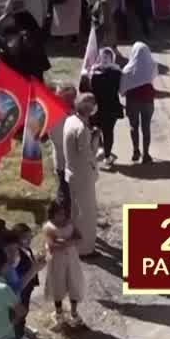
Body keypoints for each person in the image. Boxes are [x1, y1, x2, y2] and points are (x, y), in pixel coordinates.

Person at [62, 94, 100, 256]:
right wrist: (95, 140)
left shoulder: (70, 120)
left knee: (76, 212)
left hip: (72, 172)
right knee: (87, 214)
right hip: (83, 175)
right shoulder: (82, 129)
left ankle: (76, 244)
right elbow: (87, 154)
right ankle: (85, 249)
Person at [41, 200, 86, 329]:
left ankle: (74, 312)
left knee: (74, 283)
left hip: (71, 259)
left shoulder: (70, 223)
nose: (62, 215)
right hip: (57, 261)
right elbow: (51, 245)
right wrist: (67, 242)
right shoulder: (49, 227)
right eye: (59, 213)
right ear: (52, 215)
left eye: (63, 213)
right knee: (57, 285)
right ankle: (59, 314)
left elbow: (79, 237)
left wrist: (64, 242)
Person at [120, 42, 158, 164]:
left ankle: (136, 151)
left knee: (133, 127)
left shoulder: (127, 70)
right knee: (146, 127)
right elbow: (153, 78)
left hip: (132, 101)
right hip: (148, 100)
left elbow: (123, 89)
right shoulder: (152, 66)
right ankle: (146, 154)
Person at [88, 48, 124, 165]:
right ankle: (106, 155)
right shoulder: (117, 73)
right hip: (108, 108)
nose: (103, 60)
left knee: (100, 131)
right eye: (103, 57)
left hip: (100, 108)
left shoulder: (94, 73)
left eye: (105, 58)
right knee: (106, 132)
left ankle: (103, 151)